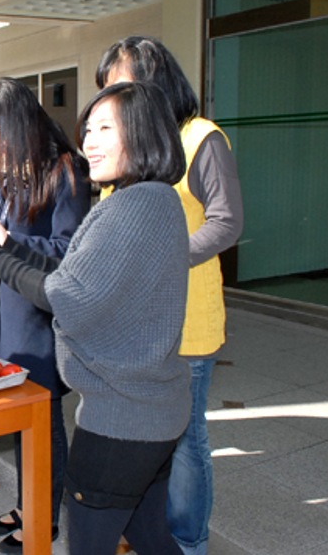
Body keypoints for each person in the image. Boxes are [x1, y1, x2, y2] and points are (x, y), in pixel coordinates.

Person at [0, 81, 191, 554]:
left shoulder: (129, 206)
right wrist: (0, 247)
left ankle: (37, 517)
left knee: (90, 540)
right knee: (150, 535)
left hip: (121, 418)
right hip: (152, 407)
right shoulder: (152, 199)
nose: (89, 140)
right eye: (88, 128)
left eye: (106, 127)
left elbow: (64, 293)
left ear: (145, 133)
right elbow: (77, 273)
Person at [96, 36, 244, 555]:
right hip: (132, 320)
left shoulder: (201, 138)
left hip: (185, 318)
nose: (111, 99)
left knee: (185, 441)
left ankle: (187, 541)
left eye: (121, 85)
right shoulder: (127, 146)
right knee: (140, 436)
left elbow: (226, 222)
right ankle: (145, 532)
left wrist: (163, 256)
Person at [0, 77, 91, 553]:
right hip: (2, 307)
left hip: (38, 312)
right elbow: (1, 231)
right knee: (20, 419)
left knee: (44, 421)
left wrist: (2, 243)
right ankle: (26, 502)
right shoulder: (9, 169)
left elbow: (67, 250)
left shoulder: (65, 170)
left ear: (21, 122)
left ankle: (43, 519)